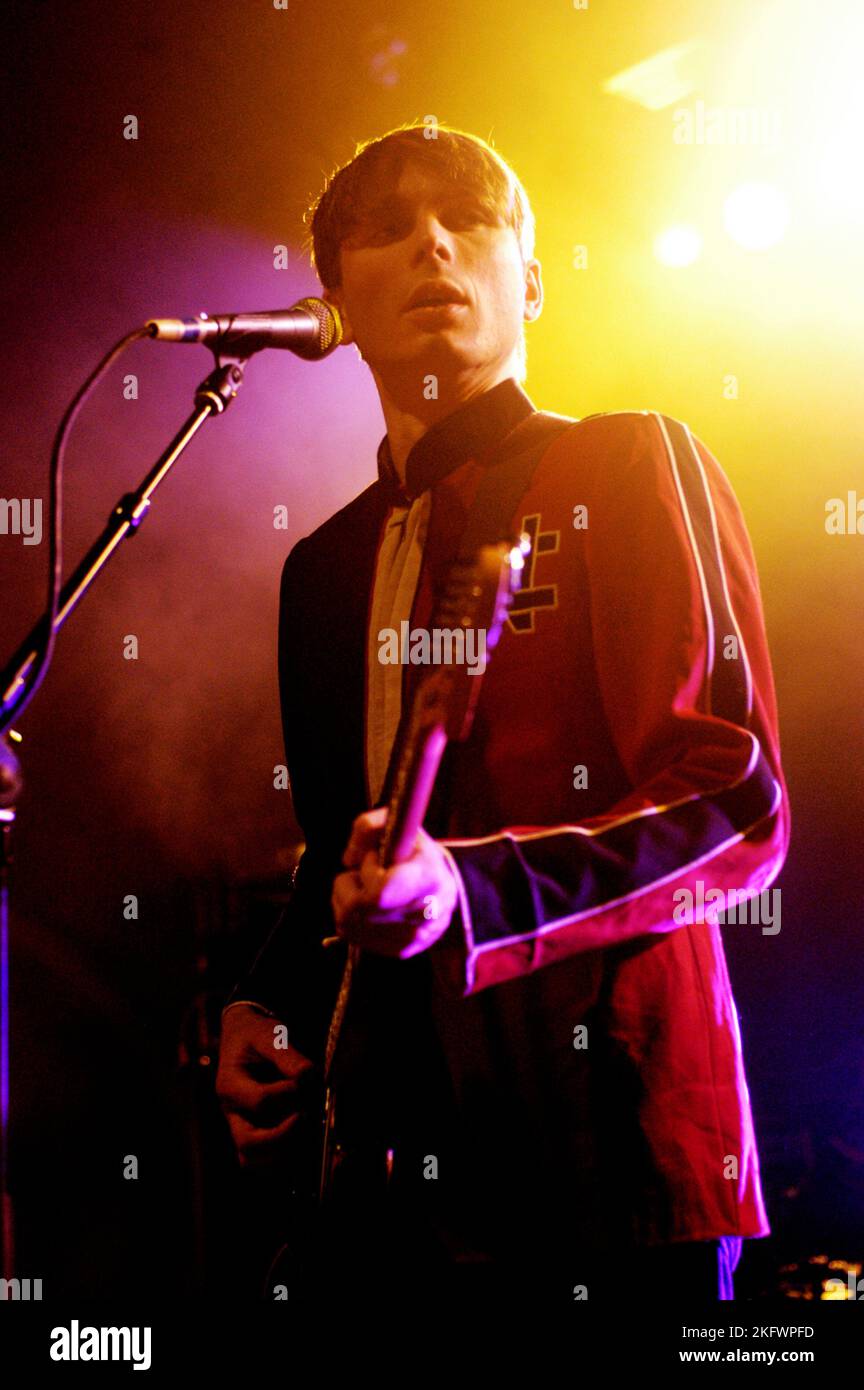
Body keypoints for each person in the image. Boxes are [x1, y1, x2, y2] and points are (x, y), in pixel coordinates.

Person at [215, 123, 791, 1308]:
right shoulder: (322, 569)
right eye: (384, 228)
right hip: (386, 1195)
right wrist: (261, 1005)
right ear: (334, 302)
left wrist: (473, 894)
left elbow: (736, 805)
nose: (430, 240)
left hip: (609, 1158)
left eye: (466, 217)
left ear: (527, 278)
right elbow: (343, 849)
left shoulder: (632, 462)